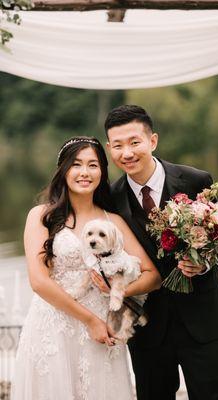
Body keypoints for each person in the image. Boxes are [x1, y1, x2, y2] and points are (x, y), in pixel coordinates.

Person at [11, 136, 161, 400]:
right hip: (54, 328)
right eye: (76, 164)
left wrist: (120, 289)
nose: (84, 172)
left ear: (102, 172)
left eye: (93, 165)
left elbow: (153, 276)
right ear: (64, 170)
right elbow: (39, 281)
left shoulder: (112, 221)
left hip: (103, 332)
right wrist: (89, 320)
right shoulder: (41, 216)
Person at [102, 105, 218, 400]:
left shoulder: (198, 181)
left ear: (153, 141)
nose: (127, 153)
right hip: (148, 328)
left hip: (202, 322)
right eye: (118, 146)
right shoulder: (110, 198)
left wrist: (204, 263)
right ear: (109, 148)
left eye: (134, 142)